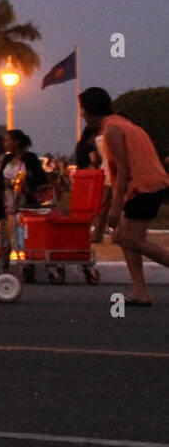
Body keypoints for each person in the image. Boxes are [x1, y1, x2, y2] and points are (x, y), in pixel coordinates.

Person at [80, 87, 169, 306]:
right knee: (123, 237)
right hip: (146, 186)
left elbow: (124, 168)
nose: (81, 114)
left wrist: (115, 207)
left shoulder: (112, 129)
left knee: (130, 239)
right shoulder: (121, 123)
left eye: (82, 109)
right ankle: (140, 291)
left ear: (91, 110)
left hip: (143, 187)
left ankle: (141, 290)